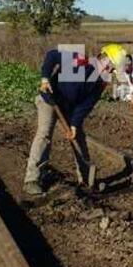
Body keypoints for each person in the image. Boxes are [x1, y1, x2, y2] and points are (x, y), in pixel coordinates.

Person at [24, 46, 112, 196]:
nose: (111, 72)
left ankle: (85, 180)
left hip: (69, 109)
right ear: (103, 58)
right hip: (49, 99)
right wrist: (45, 78)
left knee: (79, 138)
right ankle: (32, 180)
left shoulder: (100, 82)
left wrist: (74, 125)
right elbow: (52, 55)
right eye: (111, 67)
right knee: (44, 134)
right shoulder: (80, 59)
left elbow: (86, 105)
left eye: (114, 70)